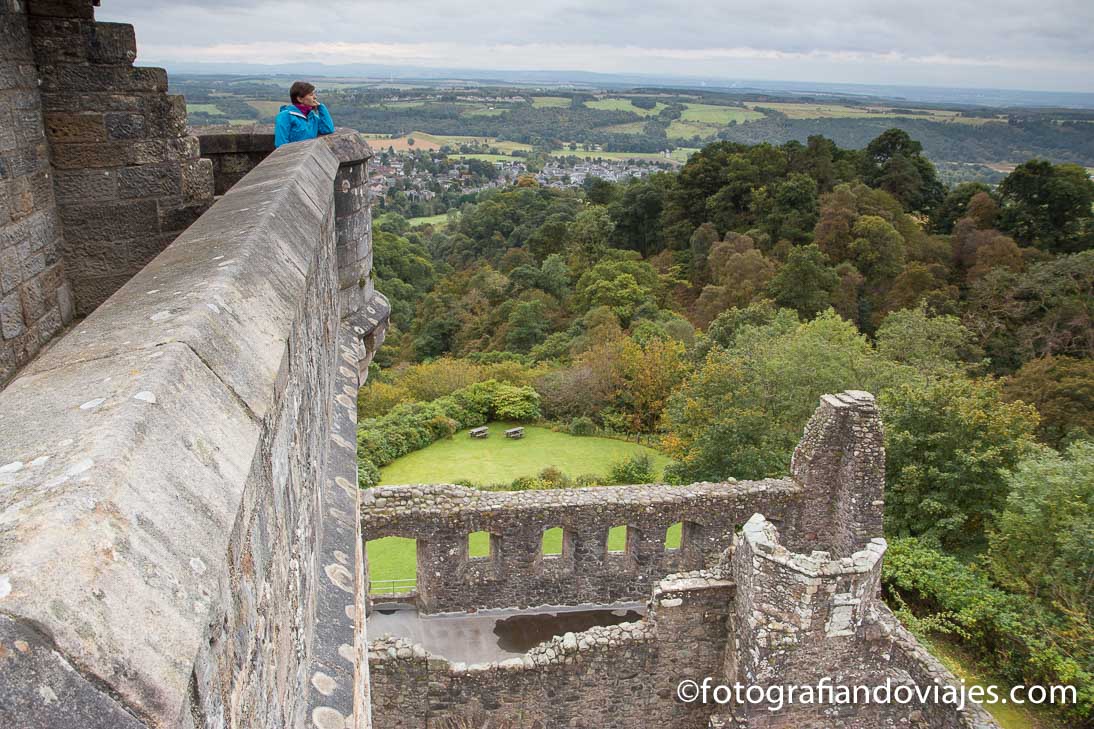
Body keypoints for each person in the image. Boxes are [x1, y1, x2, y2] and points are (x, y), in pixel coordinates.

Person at [274, 81, 335, 148]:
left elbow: (328, 129)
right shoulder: (285, 116)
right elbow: (281, 144)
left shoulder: (312, 117)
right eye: (311, 95)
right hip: (294, 156)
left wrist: (321, 107)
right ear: (300, 99)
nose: (315, 97)